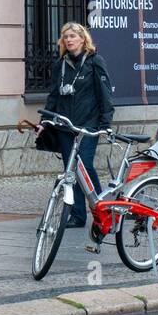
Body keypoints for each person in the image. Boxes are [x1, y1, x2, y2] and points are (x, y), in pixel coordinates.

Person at [42, 22, 114, 230]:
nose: (69, 40)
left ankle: (103, 208)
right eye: (66, 37)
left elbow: (105, 94)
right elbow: (54, 95)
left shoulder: (94, 62)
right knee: (70, 170)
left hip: (88, 125)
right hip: (66, 126)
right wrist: (44, 122)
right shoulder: (61, 65)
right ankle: (78, 215)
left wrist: (105, 123)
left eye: (73, 36)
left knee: (85, 166)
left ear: (83, 39)